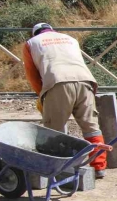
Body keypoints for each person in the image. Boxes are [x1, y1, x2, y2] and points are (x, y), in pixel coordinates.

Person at [22, 23, 107, 178]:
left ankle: (59, 170)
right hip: (86, 82)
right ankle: (99, 167)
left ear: (35, 33)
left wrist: (41, 95)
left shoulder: (31, 43)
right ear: (52, 30)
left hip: (57, 83)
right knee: (91, 127)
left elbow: (32, 74)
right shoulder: (70, 39)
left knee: (54, 130)